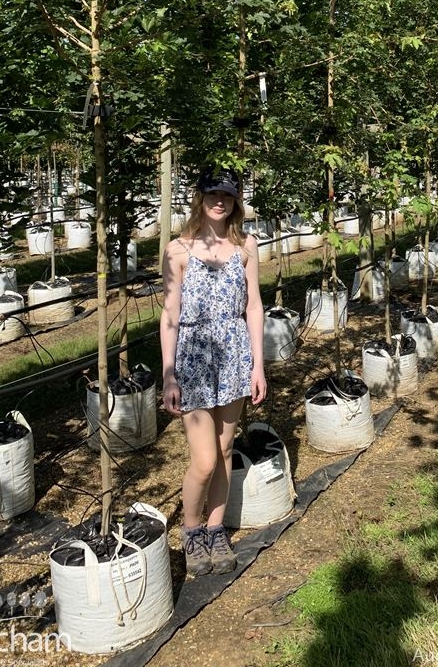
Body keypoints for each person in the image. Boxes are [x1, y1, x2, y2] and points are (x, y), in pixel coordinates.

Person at [160, 167, 267, 575]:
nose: (219, 201)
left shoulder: (246, 247)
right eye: (212, 194)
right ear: (200, 198)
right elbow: (169, 314)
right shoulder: (178, 250)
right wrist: (169, 373)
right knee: (203, 460)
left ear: (236, 200)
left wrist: (258, 364)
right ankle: (191, 531)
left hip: (235, 354)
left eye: (227, 195)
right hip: (194, 359)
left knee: (225, 450)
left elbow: (253, 306)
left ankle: (216, 527)